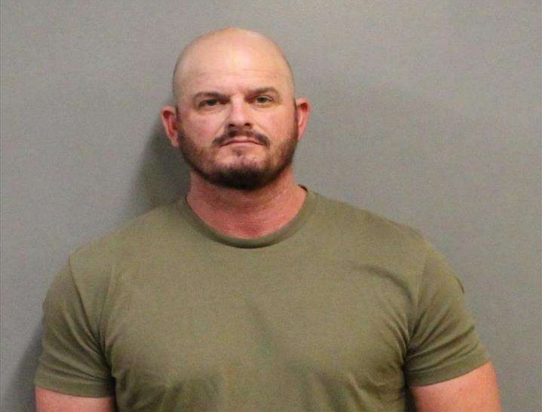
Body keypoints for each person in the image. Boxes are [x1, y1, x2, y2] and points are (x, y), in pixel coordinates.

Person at [34, 28, 503, 411]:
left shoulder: (407, 264)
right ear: (174, 126)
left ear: (299, 118)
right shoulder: (95, 280)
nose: (239, 118)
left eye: (261, 99)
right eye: (212, 102)